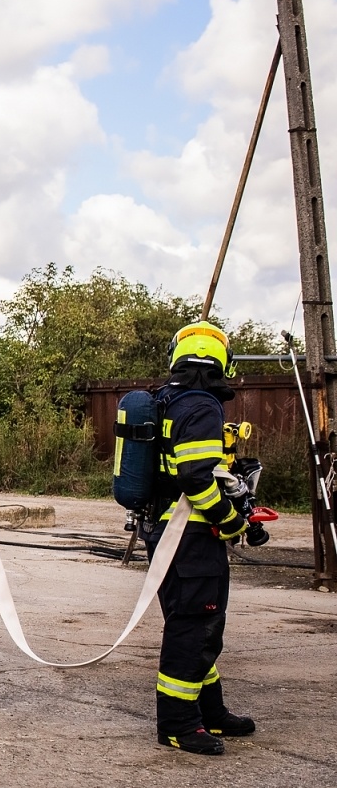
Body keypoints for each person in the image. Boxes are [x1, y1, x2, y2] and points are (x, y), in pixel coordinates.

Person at [146, 322, 256, 756]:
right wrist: (231, 521)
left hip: (168, 531)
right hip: (188, 535)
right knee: (193, 627)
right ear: (220, 363)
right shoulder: (201, 406)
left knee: (200, 627)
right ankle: (178, 724)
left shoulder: (165, 399)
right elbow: (195, 477)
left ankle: (210, 711)